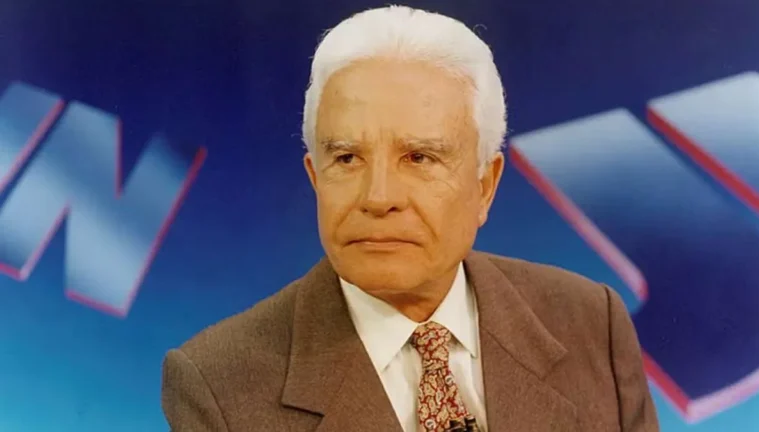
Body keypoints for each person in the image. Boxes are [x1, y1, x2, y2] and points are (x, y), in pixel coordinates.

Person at [161, 5, 659, 432]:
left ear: (485, 185)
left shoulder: (590, 322)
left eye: (419, 157)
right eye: (347, 159)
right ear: (315, 178)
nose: (378, 198)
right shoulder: (219, 386)